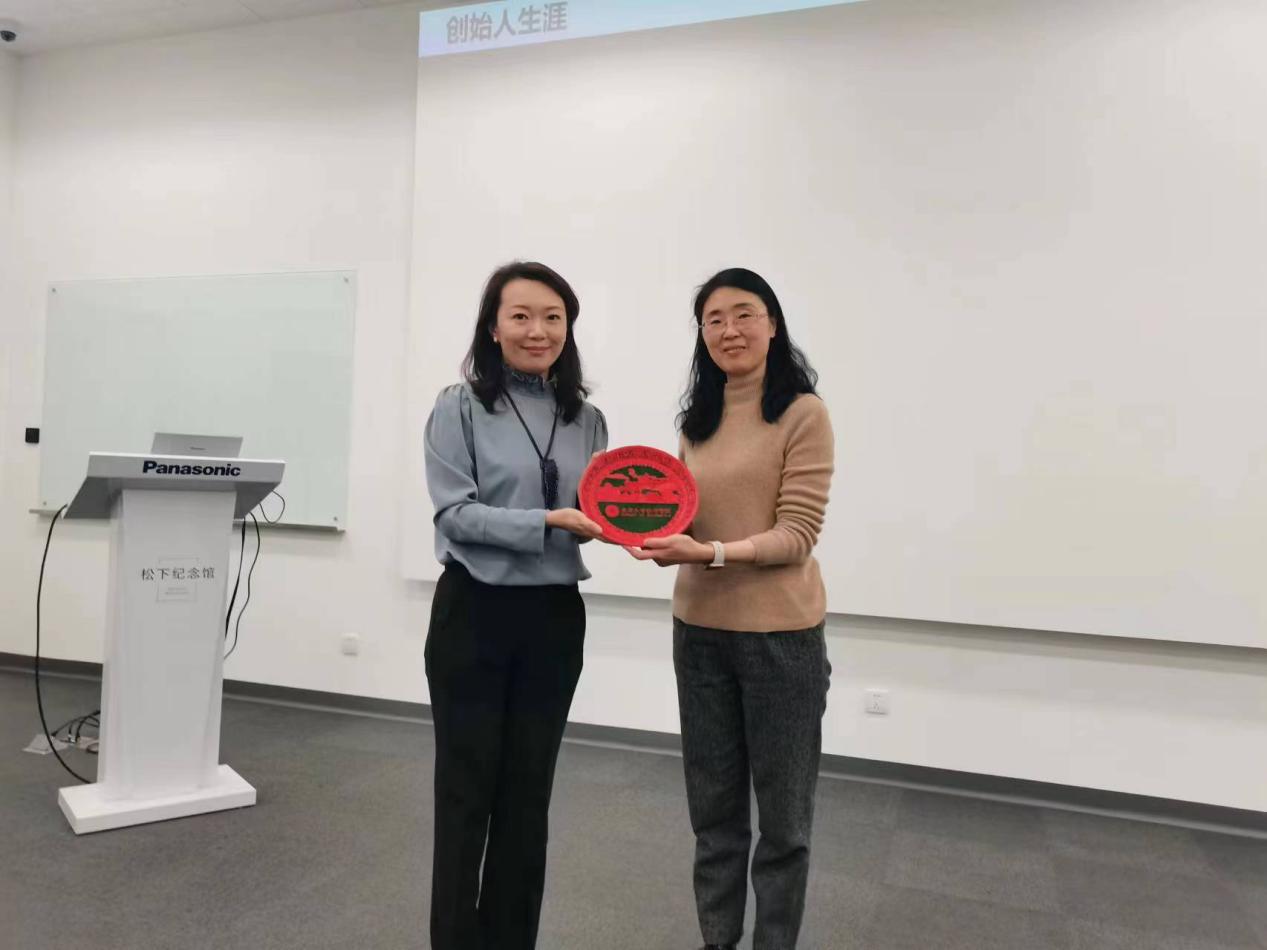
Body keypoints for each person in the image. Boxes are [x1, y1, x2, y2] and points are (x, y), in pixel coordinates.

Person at [628, 267, 834, 950]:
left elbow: (796, 534)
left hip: (781, 641)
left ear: (772, 324)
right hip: (699, 635)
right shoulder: (698, 420)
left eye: (744, 314)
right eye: (713, 319)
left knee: (784, 825)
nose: (729, 330)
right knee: (713, 818)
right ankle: (717, 940)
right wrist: (643, 527)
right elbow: (682, 514)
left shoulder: (802, 413)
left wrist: (709, 552)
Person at [423, 261, 608, 950]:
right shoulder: (459, 406)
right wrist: (547, 522)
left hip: (554, 619)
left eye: (553, 317)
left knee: (528, 800)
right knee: (465, 795)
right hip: (474, 613)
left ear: (568, 328)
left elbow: (599, 508)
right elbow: (455, 515)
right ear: (494, 328)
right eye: (521, 316)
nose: (538, 330)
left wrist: (640, 523)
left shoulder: (587, 419)